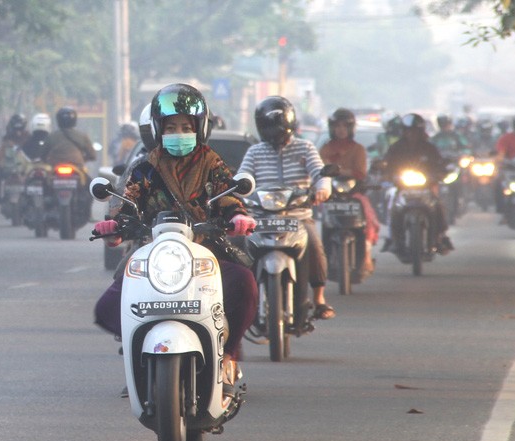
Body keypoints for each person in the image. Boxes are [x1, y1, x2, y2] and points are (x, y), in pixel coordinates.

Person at [92, 83, 258, 392]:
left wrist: (238, 218)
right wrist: (112, 227)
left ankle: (228, 354)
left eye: (185, 126)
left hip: (206, 249)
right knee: (107, 307)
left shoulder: (213, 164)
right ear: (158, 129)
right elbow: (125, 204)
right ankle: (140, 355)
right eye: (171, 126)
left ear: (199, 127)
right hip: (154, 253)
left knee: (245, 283)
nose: (178, 132)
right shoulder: (144, 168)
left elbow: (229, 198)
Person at [237, 95, 335, 321]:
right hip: (260, 217)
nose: (275, 133)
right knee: (235, 246)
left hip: (297, 216)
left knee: (315, 245)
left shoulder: (305, 148)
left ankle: (319, 299)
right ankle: (238, 298)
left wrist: (322, 188)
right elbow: (244, 174)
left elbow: (320, 174)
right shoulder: (255, 152)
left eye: (279, 127)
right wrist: (238, 188)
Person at [381, 113, 455, 254]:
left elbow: (439, 164)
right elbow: (387, 164)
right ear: (404, 131)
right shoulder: (396, 148)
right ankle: (394, 238)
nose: (412, 134)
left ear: (421, 132)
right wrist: (385, 173)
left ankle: (440, 237)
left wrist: (441, 172)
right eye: (409, 131)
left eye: (415, 131)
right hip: (402, 187)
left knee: (437, 205)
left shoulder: (429, 148)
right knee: (393, 206)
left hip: (426, 187)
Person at [319, 108, 380, 276]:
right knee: (325, 224)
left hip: (354, 192)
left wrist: (337, 170)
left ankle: (362, 261)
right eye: (337, 126)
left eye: (344, 126)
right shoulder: (325, 148)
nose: (341, 129)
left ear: (351, 128)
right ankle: (325, 261)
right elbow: (319, 170)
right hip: (331, 193)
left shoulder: (358, 149)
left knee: (363, 221)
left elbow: (360, 173)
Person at [0, 113, 30, 202]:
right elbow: (0, 156)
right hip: (13, 168)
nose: (18, 132)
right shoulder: (9, 138)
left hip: (24, 168)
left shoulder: (27, 137)